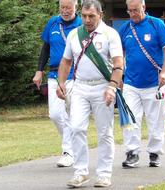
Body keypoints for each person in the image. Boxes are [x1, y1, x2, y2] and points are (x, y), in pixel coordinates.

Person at [57, 0, 124, 187]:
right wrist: (61, 83)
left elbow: (119, 65)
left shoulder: (110, 34)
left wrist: (112, 86)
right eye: (84, 16)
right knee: (76, 128)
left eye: (91, 16)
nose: (87, 20)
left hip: (103, 87)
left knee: (104, 132)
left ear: (100, 15)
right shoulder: (73, 35)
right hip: (79, 88)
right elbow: (65, 61)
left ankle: (104, 174)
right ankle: (80, 172)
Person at [119, 0, 165, 168]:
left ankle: (155, 153)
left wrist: (164, 71)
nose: (133, 14)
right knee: (130, 119)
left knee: (155, 120)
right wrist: (119, 75)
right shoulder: (125, 28)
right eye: (130, 11)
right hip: (130, 83)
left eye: (136, 10)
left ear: (144, 7)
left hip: (154, 83)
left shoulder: (156, 24)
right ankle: (132, 152)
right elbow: (118, 53)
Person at [32, 0, 82, 167]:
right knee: (55, 114)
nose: (65, 11)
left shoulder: (82, 24)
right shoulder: (53, 22)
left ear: (76, 7)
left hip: (74, 75)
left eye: (68, 7)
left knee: (70, 114)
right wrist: (39, 70)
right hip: (54, 74)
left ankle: (68, 152)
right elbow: (45, 48)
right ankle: (72, 145)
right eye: (62, 7)